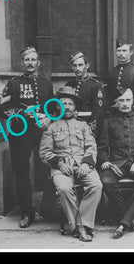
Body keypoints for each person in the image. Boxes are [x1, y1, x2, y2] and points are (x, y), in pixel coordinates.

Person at [0, 46, 54, 228]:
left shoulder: (47, 83)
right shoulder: (13, 84)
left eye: (33, 60)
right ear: (22, 63)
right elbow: (4, 109)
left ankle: (48, 209)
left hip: (42, 132)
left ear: (39, 62)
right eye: (26, 60)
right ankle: (26, 212)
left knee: (48, 169)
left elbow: (53, 108)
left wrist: (48, 118)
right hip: (20, 133)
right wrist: (22, 113)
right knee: (22, 172)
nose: (30, 63)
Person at [39, 86, 103, 242]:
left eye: (70, 104)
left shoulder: (83, 126)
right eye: (63, 104)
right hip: (61, 168)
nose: (66, 107)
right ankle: (77, 226)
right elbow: (44, 153)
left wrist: (87, 164)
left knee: (96, 185)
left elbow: (91, 147)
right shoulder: (51, 128)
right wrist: (59, 163)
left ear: (75, 107)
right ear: (57, 106)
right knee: (64, 188)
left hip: (83, 166)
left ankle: (84, 223)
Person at [97, 88, 134, 239]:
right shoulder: (109, 122)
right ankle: (128, 218)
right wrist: (105, 161)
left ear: (133, 101)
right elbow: (102, 146)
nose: (125, 104)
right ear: (116, 103)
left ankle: (123, 222)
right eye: (121, 100)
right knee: (106, 181)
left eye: (128, 100)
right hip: (117, 163)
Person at [65, 51, 106, 138]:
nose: (77, 68)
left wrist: (89, 130)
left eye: (80, 65)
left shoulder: (95, 85)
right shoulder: (69, 84)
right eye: (74, 66)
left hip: (87, 125)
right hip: (70, 126)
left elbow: (98, 112)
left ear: (87, 65)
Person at [105, 39, 134, 112]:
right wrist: (112, 105)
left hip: (133, 113)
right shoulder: (112, 72)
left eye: (124, 51)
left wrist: (130, 106)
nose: (121, 54)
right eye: (119, 51)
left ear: (131, 52)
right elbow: (107, 95)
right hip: (114, 114)